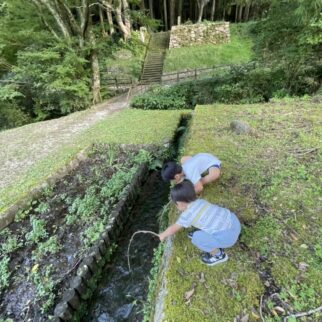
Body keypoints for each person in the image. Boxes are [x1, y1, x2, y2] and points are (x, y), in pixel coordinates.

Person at [158, 180, 241, 266]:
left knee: (197, 238)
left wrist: (162, 235)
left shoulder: (187, 215)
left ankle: (219, 255)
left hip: (228, 238)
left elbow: (173, 229)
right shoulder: (201, 201)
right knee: (207, 220)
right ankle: (211, 238)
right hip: (234, 221)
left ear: (179, 203)